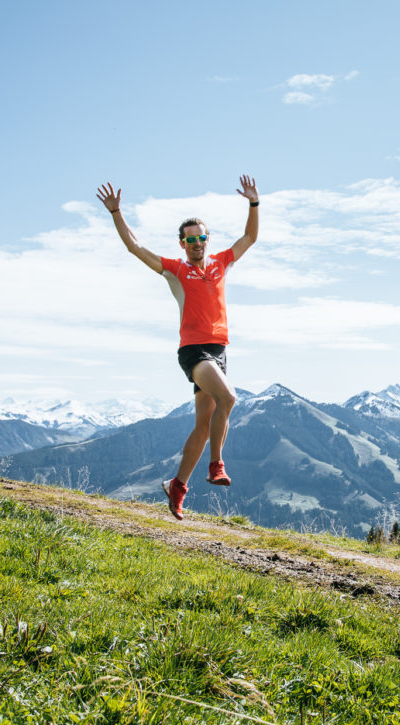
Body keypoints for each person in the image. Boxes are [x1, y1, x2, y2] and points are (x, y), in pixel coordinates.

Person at [96, 175, 259, 519]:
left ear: (206, 240)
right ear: (182, 244)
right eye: (191, 239)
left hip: (219, 350)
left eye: (202, 237)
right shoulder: (175, 270)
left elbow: (249, 238)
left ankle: (177, 487)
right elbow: (135, 248)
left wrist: (253, 204)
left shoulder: (220, 263)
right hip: (194, 351)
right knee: (228, 399)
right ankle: (216, 465)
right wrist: (116, 213)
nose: (197, 243)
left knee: (203, 424)